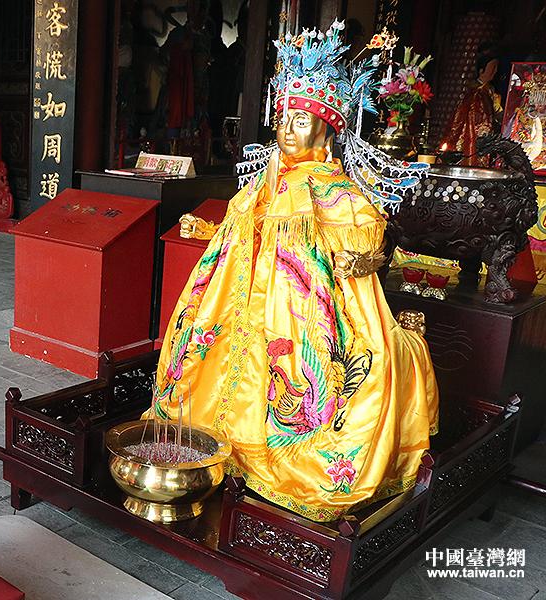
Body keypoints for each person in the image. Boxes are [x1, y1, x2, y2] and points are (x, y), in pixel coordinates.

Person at [150, 22, 439, 522]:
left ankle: (277, 458)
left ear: (327, 131)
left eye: (303, 120)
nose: (288, 128)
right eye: (284, 117)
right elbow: (235, 231)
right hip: (238, 303)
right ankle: (214, 445)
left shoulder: (340, 192)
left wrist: (360, 260)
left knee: (319, 379)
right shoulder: (262, 181)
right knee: (204, 354)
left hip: (303, 313)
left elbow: (370, 247)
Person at [440, 51, 504, 166]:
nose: (495, 72)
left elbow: (497, 113)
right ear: (481, 70)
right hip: (474, 133)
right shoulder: (475, 93)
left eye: (496, 68)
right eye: (492, 68)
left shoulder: (490, 91)